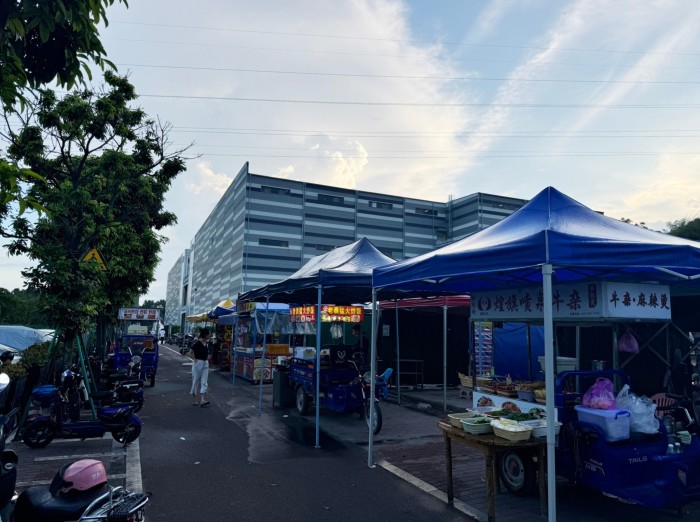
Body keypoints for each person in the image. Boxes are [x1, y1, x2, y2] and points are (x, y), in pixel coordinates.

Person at [190, 328, 211, 407]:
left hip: (205, 363)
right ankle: (194, 400)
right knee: (195, 381)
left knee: (204, 381)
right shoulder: (197, 343)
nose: (210, 335)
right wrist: (195, 360)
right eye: (208, 334)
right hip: (198, 363)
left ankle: (202, 400)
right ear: (205, 335)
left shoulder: (206, 343)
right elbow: (189, 353)